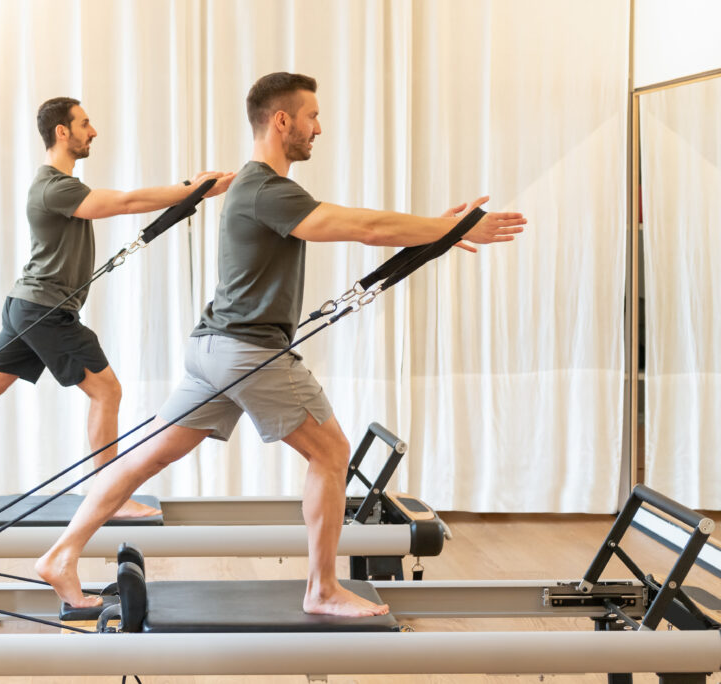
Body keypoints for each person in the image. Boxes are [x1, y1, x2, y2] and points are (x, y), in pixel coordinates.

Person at [35, 73, 527, 616]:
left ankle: (61, 554)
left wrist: (440, 231)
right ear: (282, 120)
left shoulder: (255, 186)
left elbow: (369, 226)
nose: (319, 128)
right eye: (312, 116)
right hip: (247, 352)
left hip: (213, 349)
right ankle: (322, 589)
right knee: (331, 453)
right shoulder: (266, 189)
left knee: (147, 455)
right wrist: (450, 228)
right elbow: (365, 228)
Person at [0, 96, 234, 515]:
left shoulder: (57, 186)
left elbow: (127, 202)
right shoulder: (55, 187)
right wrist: (193, 189)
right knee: (107, 391)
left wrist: (192, 189)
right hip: (44, 311)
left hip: (29, 306)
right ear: (62, 131)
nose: (93, 132)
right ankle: (108, 497)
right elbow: (126, 202)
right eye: (85, 123)